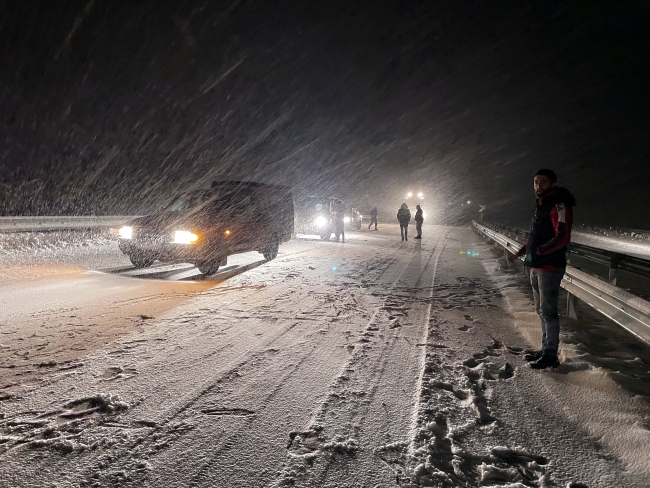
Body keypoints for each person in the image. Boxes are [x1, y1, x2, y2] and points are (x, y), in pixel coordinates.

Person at [508, 169, 576, 369]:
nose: (538, 186)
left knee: (548, 310)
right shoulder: (542, 205)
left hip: (550, 266)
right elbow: (535, 236)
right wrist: (521, 252)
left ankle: (550, 355)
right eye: (535, 182)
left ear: (552, 183)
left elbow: (562, 236)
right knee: (541, 310)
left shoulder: (559, 204)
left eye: (542, 182)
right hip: (537, 265)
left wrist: (540, 251)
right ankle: (545, 348)